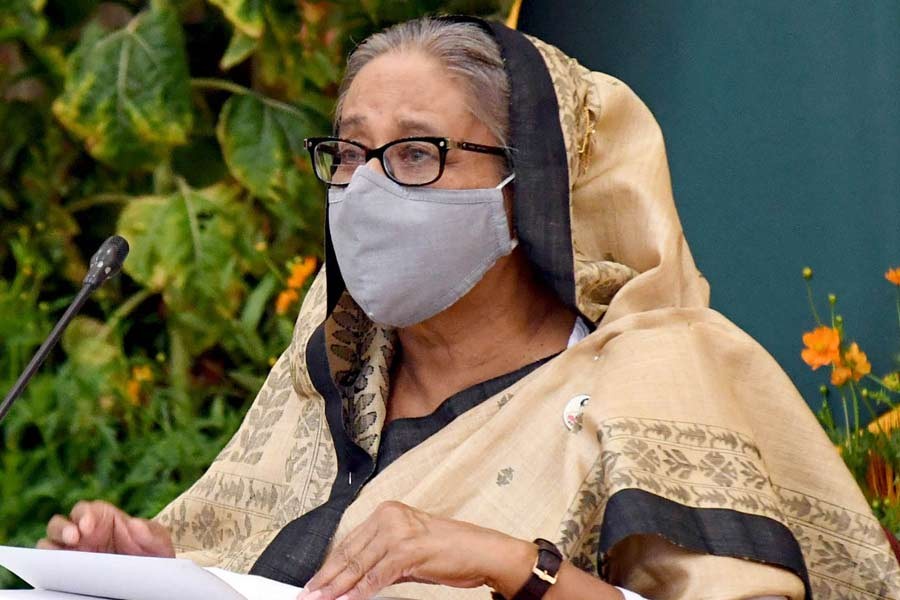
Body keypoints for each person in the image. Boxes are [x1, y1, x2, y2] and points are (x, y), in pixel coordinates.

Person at [38, 15, 900, 600]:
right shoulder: (338, 363)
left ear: (533, 185)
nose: (366, 188)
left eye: (417, 153)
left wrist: (510, 565)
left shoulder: (654, 375)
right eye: (348, 152)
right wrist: (160, 566)